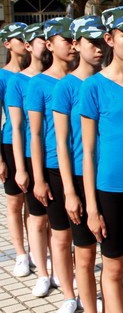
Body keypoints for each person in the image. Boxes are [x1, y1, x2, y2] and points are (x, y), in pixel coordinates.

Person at [79, 6, 123, 313]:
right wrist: (91, 208)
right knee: (113, 267)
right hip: (109, 191)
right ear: (109, 39)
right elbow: (88, 151)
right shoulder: (93, 87)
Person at [52, 15, 107, 313]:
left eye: (102, 41)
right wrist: (70, 192)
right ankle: (85, 304)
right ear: (76, 44)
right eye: (91, 42)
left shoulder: (109, 83)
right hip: (77, 176)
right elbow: (62, 142)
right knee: (85, 255)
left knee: (113, 257)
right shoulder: (66, 87)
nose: (98, 48)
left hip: (109, 179)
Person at [26, 17, 78, 313]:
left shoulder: (85, 81)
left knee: (84, 239)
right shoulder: (39, 83)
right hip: (54, 167)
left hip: (83, 167)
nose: (72, 45)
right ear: (49, 44)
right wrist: (38, 178)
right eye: (66, 40)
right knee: (60, 233)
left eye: (75, 40)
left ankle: (83, 289)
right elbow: (34, 134)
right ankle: (66, 292)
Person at [6, 21, 53, 297]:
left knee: (53, 219)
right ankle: (28, 258)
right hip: (20, 151)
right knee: (28, 211)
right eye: (40, 40)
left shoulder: (57, 79)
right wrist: (17, 167)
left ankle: (53, 264)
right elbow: (16, 127)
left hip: (50, 156)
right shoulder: (16, 80)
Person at [0, 22, 30, 278]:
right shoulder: (2, 77)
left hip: (34, 145)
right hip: (10, 143)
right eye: (19, 39)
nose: (24, 42)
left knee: (35, 203)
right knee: (14, 201)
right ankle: (21, 253)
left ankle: (39, 250)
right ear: (7, 44)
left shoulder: (35, 74)